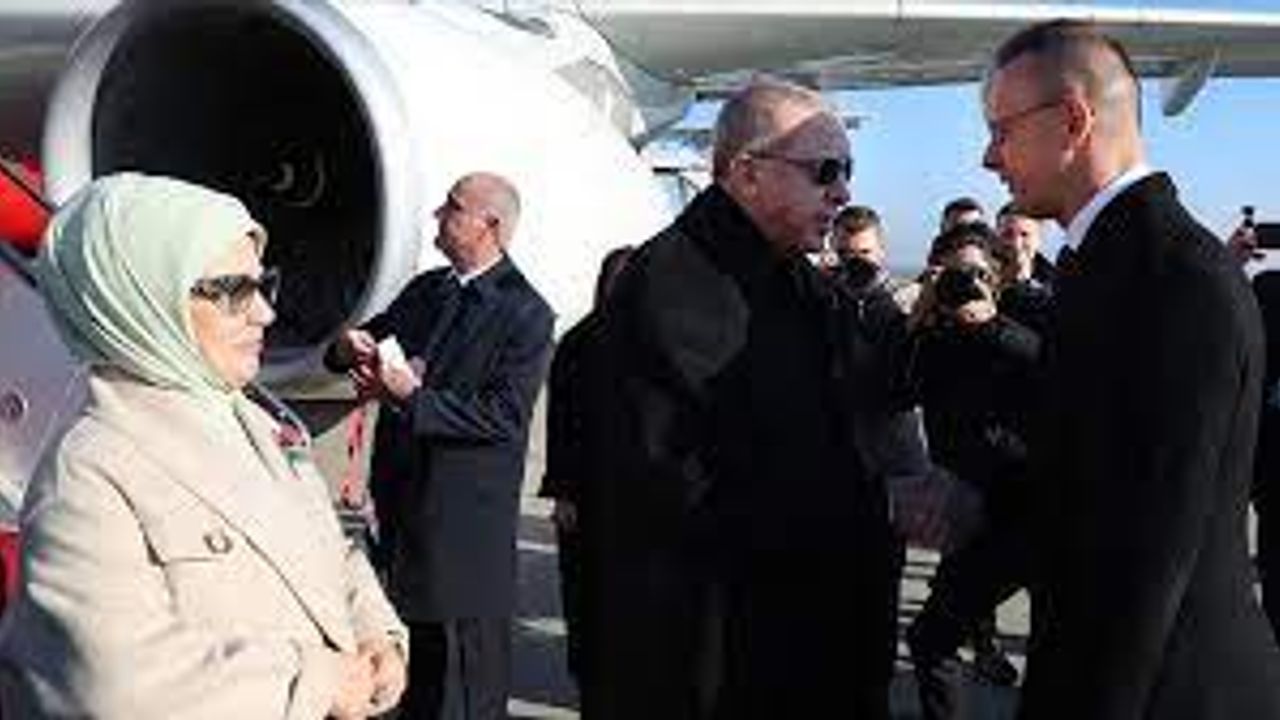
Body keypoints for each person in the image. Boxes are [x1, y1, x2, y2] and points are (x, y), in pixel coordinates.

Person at [0, 173, 407, 719]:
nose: (265, 313)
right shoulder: (88, 474)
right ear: (145, 300)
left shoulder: (258, 426)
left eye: (263, 285)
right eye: (231, 291)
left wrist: (378, 634)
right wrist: (314, 683)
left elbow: (331, 553)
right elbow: (112, 690)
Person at [983, 19, 1280, 717]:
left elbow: (1151, 559)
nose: (988, 156)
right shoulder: (1115, 264)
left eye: (1001, 131)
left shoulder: (1176, 282)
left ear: (1073, 121)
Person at [583, 77, 897, 719]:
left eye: (847, 171)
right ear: (748, 173)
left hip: (792, 636)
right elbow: (728, 481)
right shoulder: (674, 288)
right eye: (825, 170)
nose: (842, 192)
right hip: (725, 654)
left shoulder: (795, 280)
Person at [326, 172, 552, 720]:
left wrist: (413, 397)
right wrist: (348, 346)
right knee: (412, 680)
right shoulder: (428, 291)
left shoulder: (525, 313)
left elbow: (503, 418)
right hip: (403, 517)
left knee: (461, 687)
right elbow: (364, 341)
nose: (438, 215)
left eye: (453, 207)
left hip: (461, 536)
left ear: (489, 225)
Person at [902, 223, 1042, 719]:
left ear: (998, 278)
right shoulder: (933, 338)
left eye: (978, 274)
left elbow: (1054, 366)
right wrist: (921, 313)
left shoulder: (1022, 317)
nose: (967, 284)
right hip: (971, 517)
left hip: (1033, 510)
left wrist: (993, 325)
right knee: (930, 639)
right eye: (956, 275)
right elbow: (894, 388)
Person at [537, 245, 634, 682]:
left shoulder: (654, 339)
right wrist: (563, 492)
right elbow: (560, 423)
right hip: (586, 493)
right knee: (585, 591)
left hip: (634, 494)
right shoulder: (580, 343)